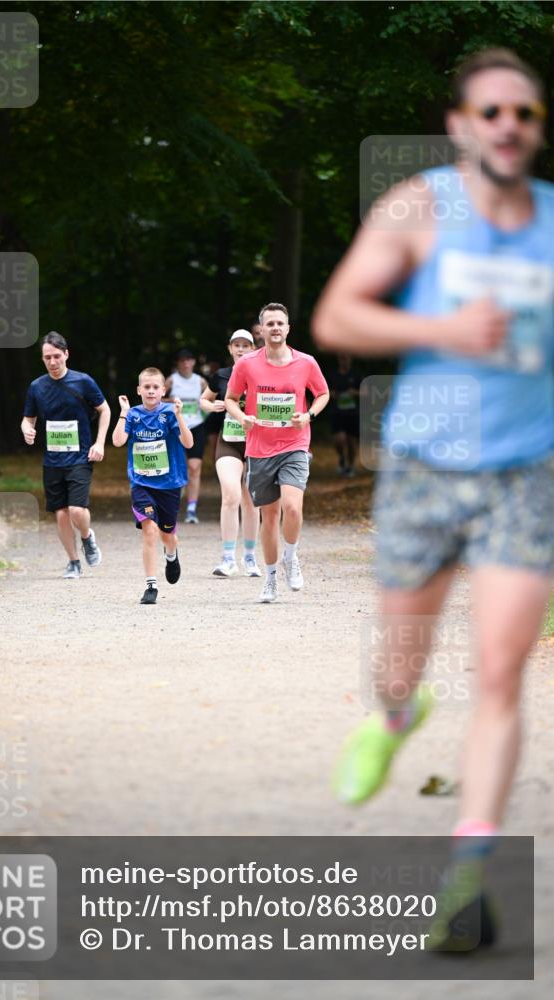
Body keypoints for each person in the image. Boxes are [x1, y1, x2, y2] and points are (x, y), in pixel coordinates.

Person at [312, 49, 554, 948]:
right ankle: (393, 712)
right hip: (423, 464)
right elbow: (337, 318)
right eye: (489, 112)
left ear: (534, 128)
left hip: (523, 474)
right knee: (401, 666)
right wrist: (440, 329)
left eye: (523, 114)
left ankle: (467, 883)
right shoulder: (420, 206)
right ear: (460, 124)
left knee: (499, 675)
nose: (506, 126)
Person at [225, 303, 329, 602]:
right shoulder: (247, 364)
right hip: (259, 448)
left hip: (294, 444)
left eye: (279, 323)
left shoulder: (306, 362)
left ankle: (291, 557)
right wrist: (242, 416)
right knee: (269, 516)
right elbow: (231, 398)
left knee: (292, 508)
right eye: (269, 324)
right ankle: (270, 578)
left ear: (288, 328)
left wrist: (309, 414)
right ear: (261, 329)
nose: (275, 328)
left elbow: (322, 393)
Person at [21, 332, 110, 578]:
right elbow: (28, 419)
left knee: (77, 510)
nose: (52, 362)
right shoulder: (37, 387)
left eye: (57, 356)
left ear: (66, 354)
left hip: (80, 456)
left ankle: (87, 536)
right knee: (60, 513)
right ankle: (73, 562)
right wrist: (27, 429)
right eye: (47, 357)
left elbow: (104, 410)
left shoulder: (83, 382)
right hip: (52, 459)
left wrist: (100, 443)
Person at [111, 367, 193, 604]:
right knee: (150, 530)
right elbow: (117, 441)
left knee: (168, 535)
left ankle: (171, 554)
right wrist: (124, 413)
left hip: (169, 485)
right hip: (141, 483)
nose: (151, 391)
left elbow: (188, 443)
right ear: (139, 390)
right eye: (146, 387)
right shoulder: (133, 414)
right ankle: (151, 586)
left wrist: (179, 416)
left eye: (155, 387)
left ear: (163, 390)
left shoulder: (169, 413)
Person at [200, 329, 261, 577]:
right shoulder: (221, 375)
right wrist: (211, 405)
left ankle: (249, 557)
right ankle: (227, 559)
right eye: (236, 345)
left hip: (257, 443)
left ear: (254, 348)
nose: (241, 349)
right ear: (230, 349)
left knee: (251, 501)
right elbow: (203, 399)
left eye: (246, 345)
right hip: (229, 441)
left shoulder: (263, 373)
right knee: (230, 494)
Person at [165, 349, 208, 523]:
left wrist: (205, 413)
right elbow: (157, 400)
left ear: (193, 362)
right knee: (175, 466)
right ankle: (173, 501)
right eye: (182, 360)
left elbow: (211, 400)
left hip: (197, 426)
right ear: (177, 363)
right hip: (176, 426)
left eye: (188, 360)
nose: (185, 363)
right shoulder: (171, 380)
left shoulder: (201, 381)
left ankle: (191, 509)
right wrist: (171, 402)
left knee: (195, 467)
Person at [327, 352, 361, 476]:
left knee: (352, 442)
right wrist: (332, 394)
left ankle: (351, 466)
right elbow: (323, 392)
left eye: (347, 358)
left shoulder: (356, 375)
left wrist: (355, 392)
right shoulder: (333, 375)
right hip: (337, 412)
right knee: (339, 440)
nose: (345, 361)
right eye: (342, 358)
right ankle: (341, 458)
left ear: (350, 359)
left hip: (353, 413)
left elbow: (366, 392)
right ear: (338, 360)